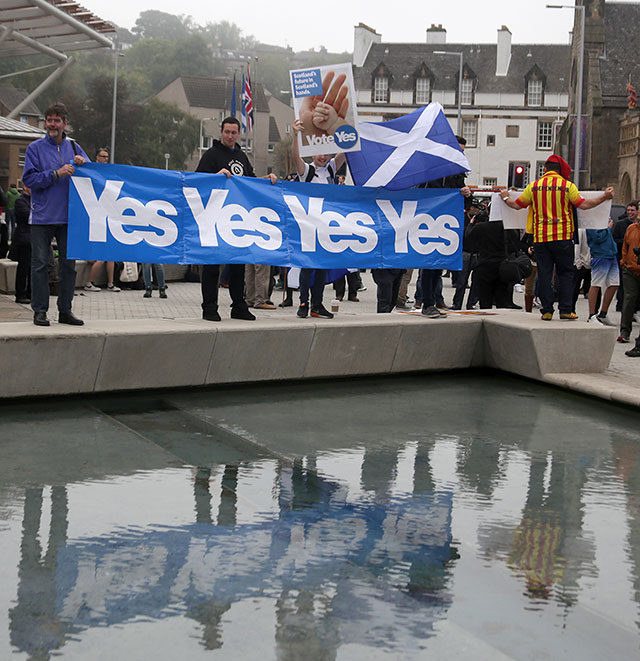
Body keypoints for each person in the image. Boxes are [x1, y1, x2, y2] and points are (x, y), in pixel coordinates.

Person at [502, 155, 614, 320]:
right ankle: (565, 310)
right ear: (560, 171)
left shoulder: (534, 187)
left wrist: (505, 196)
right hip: (563, 237)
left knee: (545, 274)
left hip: (541, 239)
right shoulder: (567, 186)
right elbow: (584, 205)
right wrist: (604, 197)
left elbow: (517, 205)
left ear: (545, 169)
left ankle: (547, 310)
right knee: (565, 274)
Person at [195, 117, 277, 322]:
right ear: (221, 132)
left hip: (237, 221)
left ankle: (238, 306)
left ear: (239, 133)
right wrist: (215, 176)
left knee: (239, 265)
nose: (230, 136)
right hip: (214, 219)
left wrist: (266, 181)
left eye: (234, 132)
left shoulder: (241, 156)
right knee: (212, 266)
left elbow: (251, 183)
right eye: (227, 132)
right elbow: (196, 182)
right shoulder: (211, 155)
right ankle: (210, 307)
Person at [22, 102, 88, 326]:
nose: (52, 124)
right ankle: (39, 310)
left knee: (69, 266)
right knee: (40, 264)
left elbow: (92, 175)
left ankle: (65, 310)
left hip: (70, 217)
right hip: (42, 216)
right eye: (49, 120)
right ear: (45, 123)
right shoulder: (34, 149)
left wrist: (83, 163)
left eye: (56, 120)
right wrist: (55, 174)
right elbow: (29, 180)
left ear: (64, 124)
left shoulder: (76, 148)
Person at [291, 117, 346, 319]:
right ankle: (303, 303)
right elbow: (295, 156)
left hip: (325, 226)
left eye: (326, 153)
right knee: (307, 266)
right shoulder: (308, 171)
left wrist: (350, 128)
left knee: (322, 266)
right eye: (319, 153)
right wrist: (296, 135)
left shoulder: (331, 168)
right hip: (308, 226)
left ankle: (317, 304)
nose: (322, 157)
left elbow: (347, 151)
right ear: (312, 153)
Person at [83, 148, 121, 293]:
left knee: (110, 256)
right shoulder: (92, 170)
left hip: (106, 218)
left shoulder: (108, 172)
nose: (105, 159)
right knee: (101, 257)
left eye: (107, 157)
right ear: (97, 157)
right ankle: (89, 282)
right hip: (96, 220)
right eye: (103, 156)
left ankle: (110, 283)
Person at [585, 221, 618, 325]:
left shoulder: (604, 219)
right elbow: (597, 238)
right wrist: (608, 228)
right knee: (596, 285)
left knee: (614, 284)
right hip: (600, 255)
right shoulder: (591, 223)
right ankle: (591, 315)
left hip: (612, 255)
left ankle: (603, 314)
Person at [618, 214, 640, 344]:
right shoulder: (631, 229)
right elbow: (625, 247)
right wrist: (624, 262)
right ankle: (625, 331)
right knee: (629, 298)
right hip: (630, 270)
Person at [612, 201, 638, 311]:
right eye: (628, 210)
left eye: (632, 210)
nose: (630, 212)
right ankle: (621, 304)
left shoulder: (637, 226)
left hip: (636, 260)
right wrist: (625, 242)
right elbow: (614, 239)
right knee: (623, 283)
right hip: (622, 258)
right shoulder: (620, 224)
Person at [12, 185, 32, 303]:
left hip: (31, 238)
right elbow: (26, 215)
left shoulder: (33, 200)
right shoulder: (20, 200)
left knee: (31, 268)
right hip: (24, 238)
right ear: (24, 187)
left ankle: (30, 292)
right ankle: (20, 294)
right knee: (23, 268)